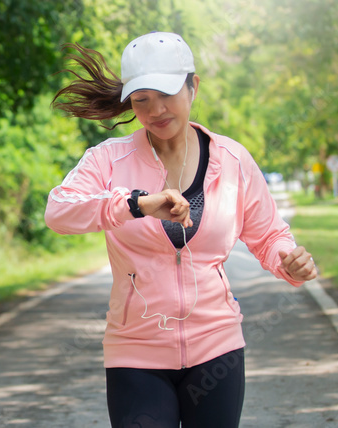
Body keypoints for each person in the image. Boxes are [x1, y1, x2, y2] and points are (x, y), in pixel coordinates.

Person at [44, 32, 318, 428]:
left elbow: (269, 234)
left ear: (194, 86)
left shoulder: (232, 159)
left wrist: (288, 262)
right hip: (136, 353)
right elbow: (58, 211)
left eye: (168, 94)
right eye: (141, 100)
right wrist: (136, 204)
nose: (156, 110)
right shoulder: (109, 159)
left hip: (217, 349)